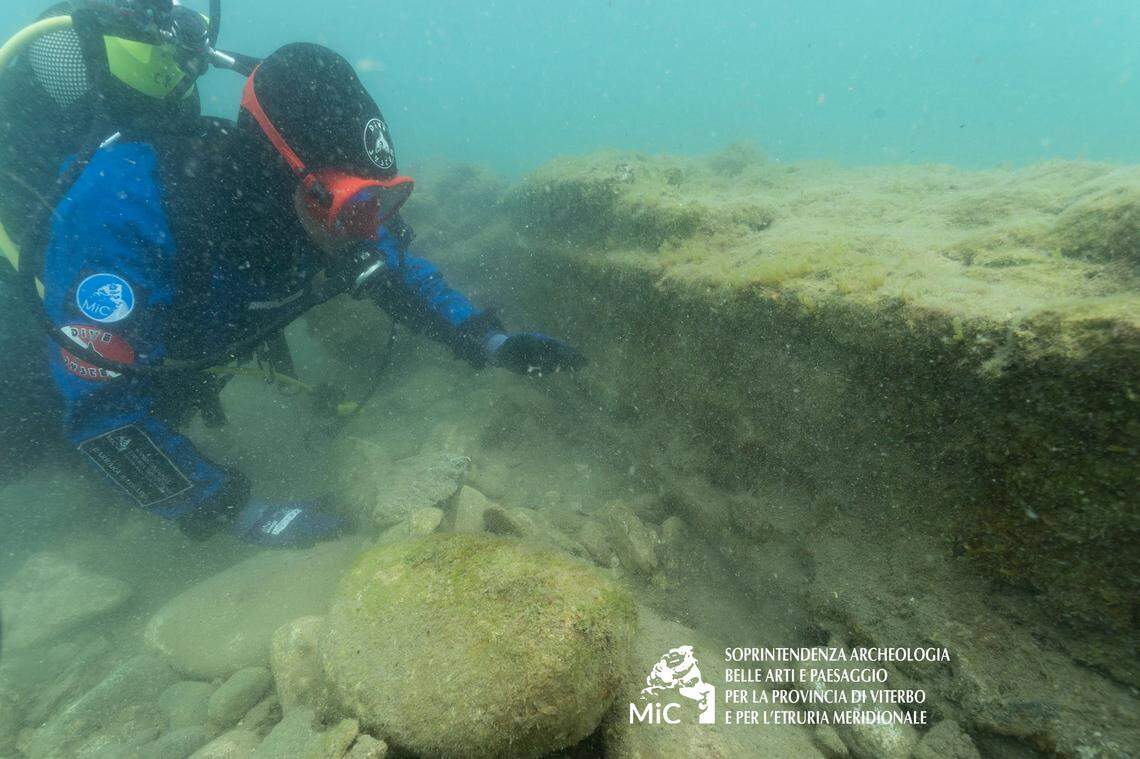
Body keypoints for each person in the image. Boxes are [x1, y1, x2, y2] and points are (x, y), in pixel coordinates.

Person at [40, 42, 586, 547]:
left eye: (381, 203)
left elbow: (397, 269)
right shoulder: (121, 213)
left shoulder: (319, 209)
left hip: (191, 343)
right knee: (36, 451)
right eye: (353, 209)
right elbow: (102, 415)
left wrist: (488, 341)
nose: (369, 230)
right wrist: (240, 514)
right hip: (50, 366)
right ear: (283, 176)